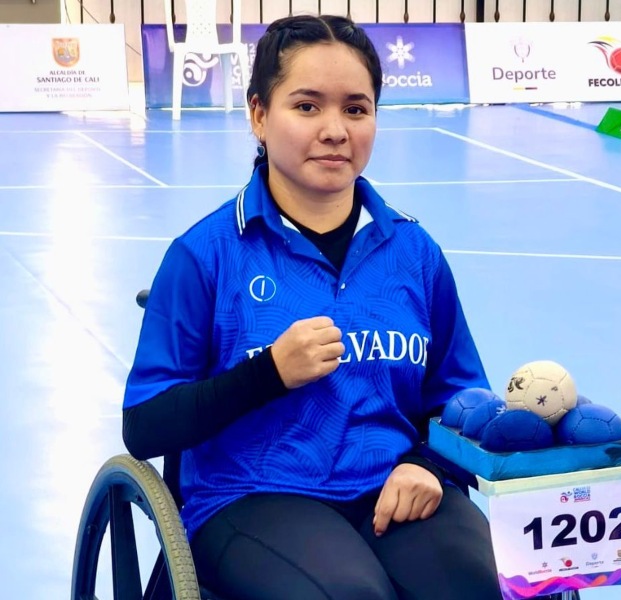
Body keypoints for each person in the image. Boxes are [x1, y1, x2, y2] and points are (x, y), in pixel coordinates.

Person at [122, 14, 503, 600]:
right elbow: (145, 424)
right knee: (348, 596)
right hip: (252, 495)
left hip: (393, 484)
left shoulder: (414, 253)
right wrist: (267, 373)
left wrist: (429, 464)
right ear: (258, 116)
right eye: (306, 106)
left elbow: (459, 399)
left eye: (356, 108)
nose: (335, 130)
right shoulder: (205, 256)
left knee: (478, 586)